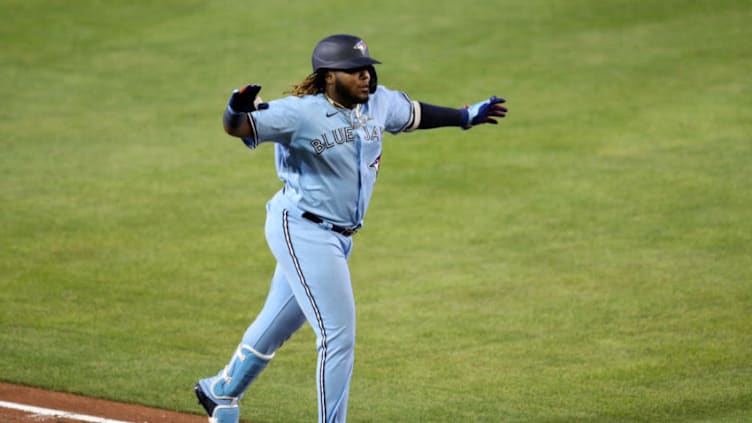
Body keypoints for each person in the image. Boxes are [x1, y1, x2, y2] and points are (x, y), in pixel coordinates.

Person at [194, 34, 507, 423]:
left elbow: (414, 113)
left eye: (367, 68)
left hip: (338, 238)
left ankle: (221, 391)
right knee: (337, 337)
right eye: (354, 70)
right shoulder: (298, 113)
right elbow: (237, 127)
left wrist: (464, 117)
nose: (365, 76)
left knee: (278, 321)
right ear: (328, 77)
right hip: (302, 229)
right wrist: (234, 109)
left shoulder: (378, 104)